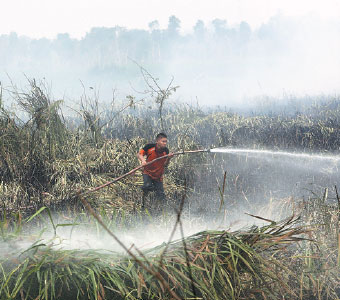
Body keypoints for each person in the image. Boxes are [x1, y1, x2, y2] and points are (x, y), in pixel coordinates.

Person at [137, 133, 174, 208]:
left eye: (166, 142)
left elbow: (165, 165)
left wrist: (169, 158)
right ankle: (143, 206)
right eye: (163, 141)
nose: (165, 143)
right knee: (147, 187)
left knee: (161, 196)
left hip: (158, 176)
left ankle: (161, 210)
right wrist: (143, 161)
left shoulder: (166, 151)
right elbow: (139, 154)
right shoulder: (149, 147)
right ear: (157, 141)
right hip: (147, 173)